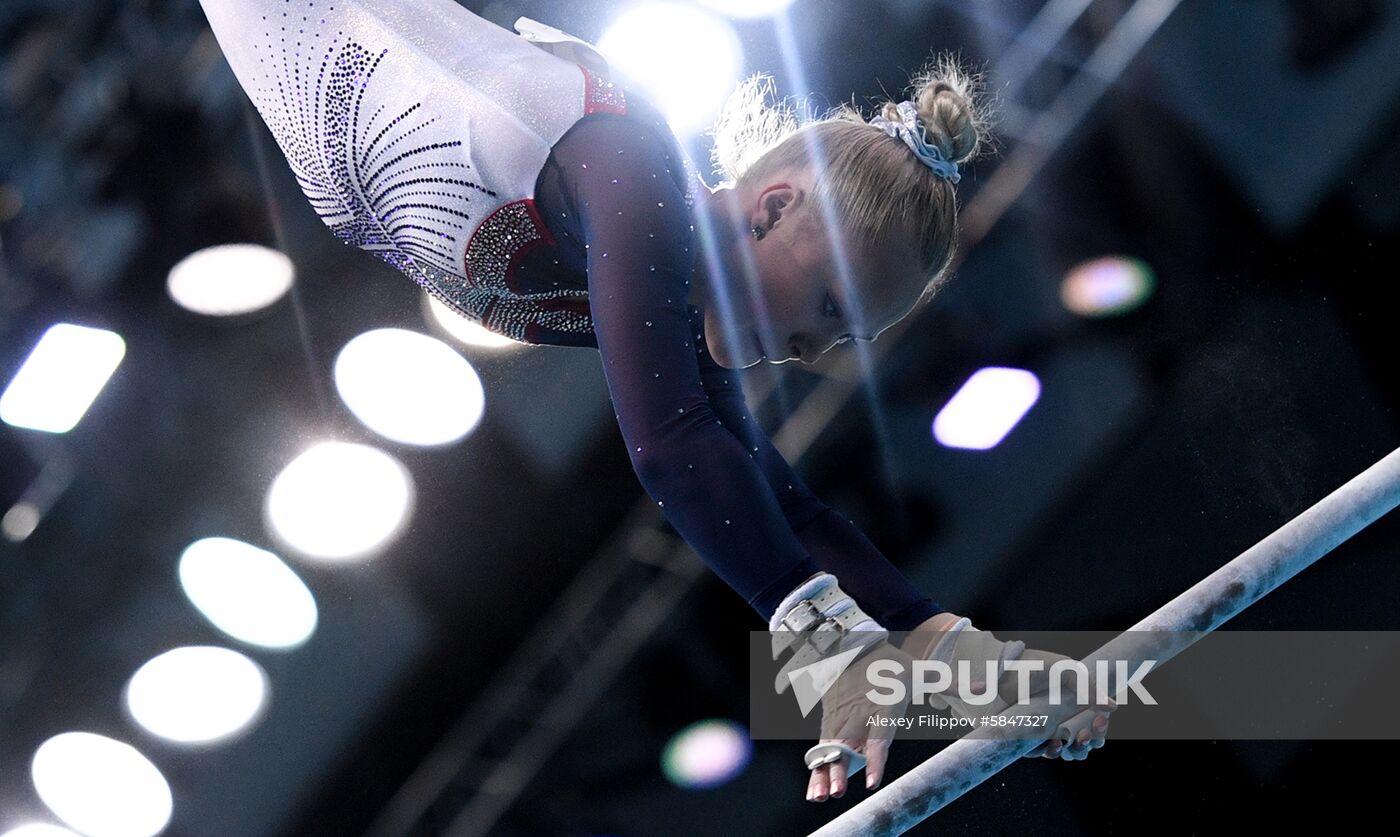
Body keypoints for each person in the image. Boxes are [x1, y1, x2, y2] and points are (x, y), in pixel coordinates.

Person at [196, 0, 1113, 806]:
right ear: (773, 204)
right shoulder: (631, 171)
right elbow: (672, 444)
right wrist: (830, 645)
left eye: (843, 338)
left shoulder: (670, 277)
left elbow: (777, 497)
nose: (811, 351)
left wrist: (964, 659)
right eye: (828, 305)